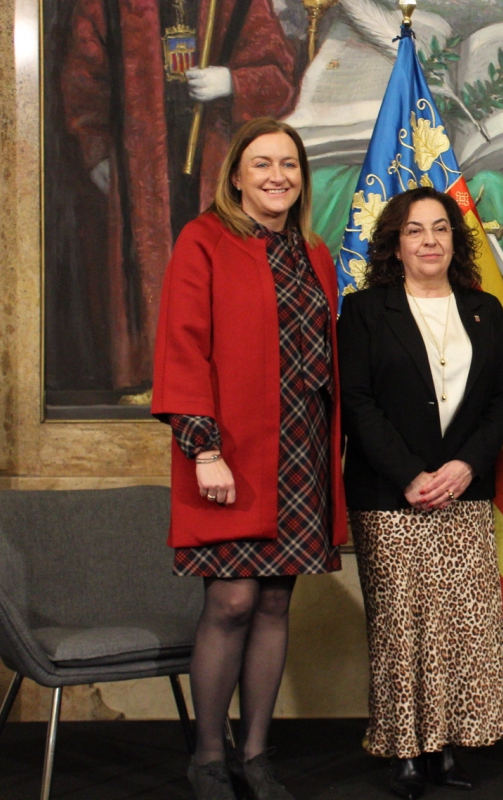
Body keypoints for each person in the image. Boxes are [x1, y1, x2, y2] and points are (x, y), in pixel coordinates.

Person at [152, 118, 345, 800]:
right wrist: (202, 447)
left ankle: (255, 756)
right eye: (261, 164)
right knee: (230, 599)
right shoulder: (203, 240)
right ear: (234, 175)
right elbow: (182, 344)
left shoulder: (313, 252)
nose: (277, 176)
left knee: (271, 602)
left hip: (299, 449)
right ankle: (208, 758)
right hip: (229, 451)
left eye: (288, 164)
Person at [62, 0, 298, 393]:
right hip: (140, 161)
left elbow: (279, 78)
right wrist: (98, 151)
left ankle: (221, 380)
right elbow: (84, 80)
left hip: (218, 157)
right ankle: (153, 378)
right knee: (148, 265)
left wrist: (231, 82)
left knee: (221, 266)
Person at [338, 187, 503, 799]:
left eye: (440, 229)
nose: (430, 241)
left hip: (464, 492)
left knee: (461, 626)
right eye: (415, 230)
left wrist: (466, 465)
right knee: (401, 625)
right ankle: (404, 752)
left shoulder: (485, 310)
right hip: (391, 497)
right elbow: (357, 404)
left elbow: (502, 400)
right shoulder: (364, 312)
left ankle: (443, 747)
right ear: (395, 242)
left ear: (454, 238)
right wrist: (410, 473)